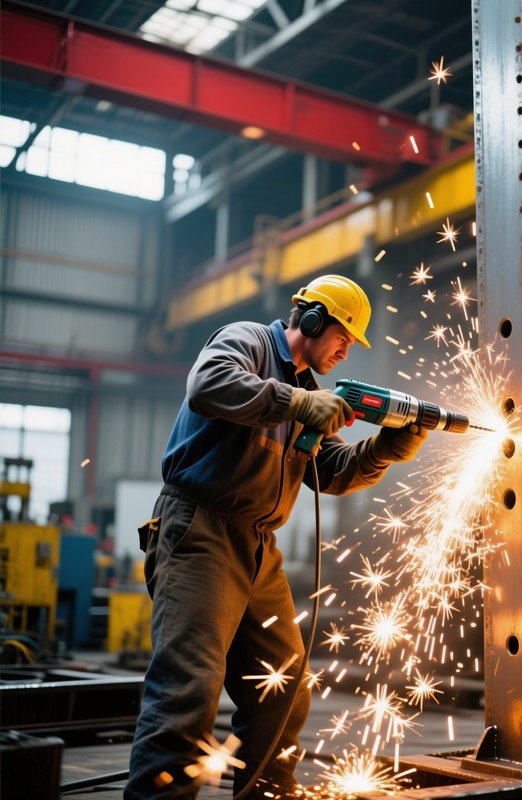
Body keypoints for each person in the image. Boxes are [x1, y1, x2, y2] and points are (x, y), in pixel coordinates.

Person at [125, 275, 427, 799]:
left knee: (284, 690)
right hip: (201, 531)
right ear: (311, 319)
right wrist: (293, 402)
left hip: (260, 549)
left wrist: (384, 449)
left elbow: (328, 470)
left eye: (353, 341)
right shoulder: (245, 342)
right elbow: (207, 385)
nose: (346, 347)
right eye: (343, 334)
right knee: (188, 693)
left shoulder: (310, 394)